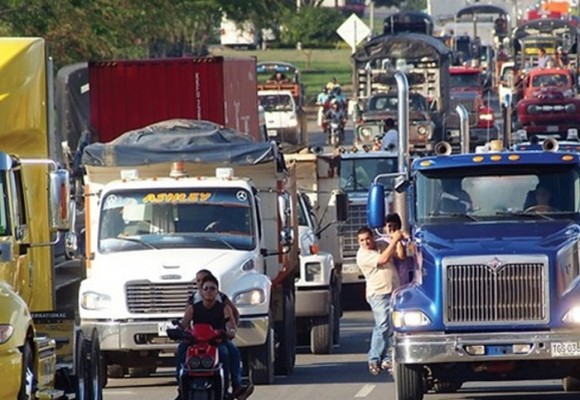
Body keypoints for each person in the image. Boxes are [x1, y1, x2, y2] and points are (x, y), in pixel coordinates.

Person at [175, 274, 253, 400]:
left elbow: (231, 325)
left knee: (229, 352)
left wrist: (230, 332)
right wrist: (177, 331)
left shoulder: (224, 308)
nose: (209, 291)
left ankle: (233, 386)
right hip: (196, 342)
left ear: (217, 291)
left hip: (217, 341)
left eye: (213, 288)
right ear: (201, 291)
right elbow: (183, 324)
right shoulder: (193, 308)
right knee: (182, 348)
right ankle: (181, 387)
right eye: (206, 288)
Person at [356, 226, 404, 376]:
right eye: (362, 240)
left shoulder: (382, 245)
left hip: (394, 292)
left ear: (373, 238)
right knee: (383, 325)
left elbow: (400, 256)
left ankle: (388, 357)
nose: (366, 242)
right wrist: (394, 239)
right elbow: (383, 259)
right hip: (378, 294)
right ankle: (374, 358)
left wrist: (397, 240)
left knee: (395, 326)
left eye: (368, 239)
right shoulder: (363, 256)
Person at [383, 213, 413, 285]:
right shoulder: (382, 242)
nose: (392, 229)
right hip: (390, 283)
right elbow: (401, 256)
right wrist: (396, 240)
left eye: (395, 226)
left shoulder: (405, 241)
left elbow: (414, 251)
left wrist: (409, 237)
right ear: (385, 228)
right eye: (389, 226)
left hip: (404, 281)